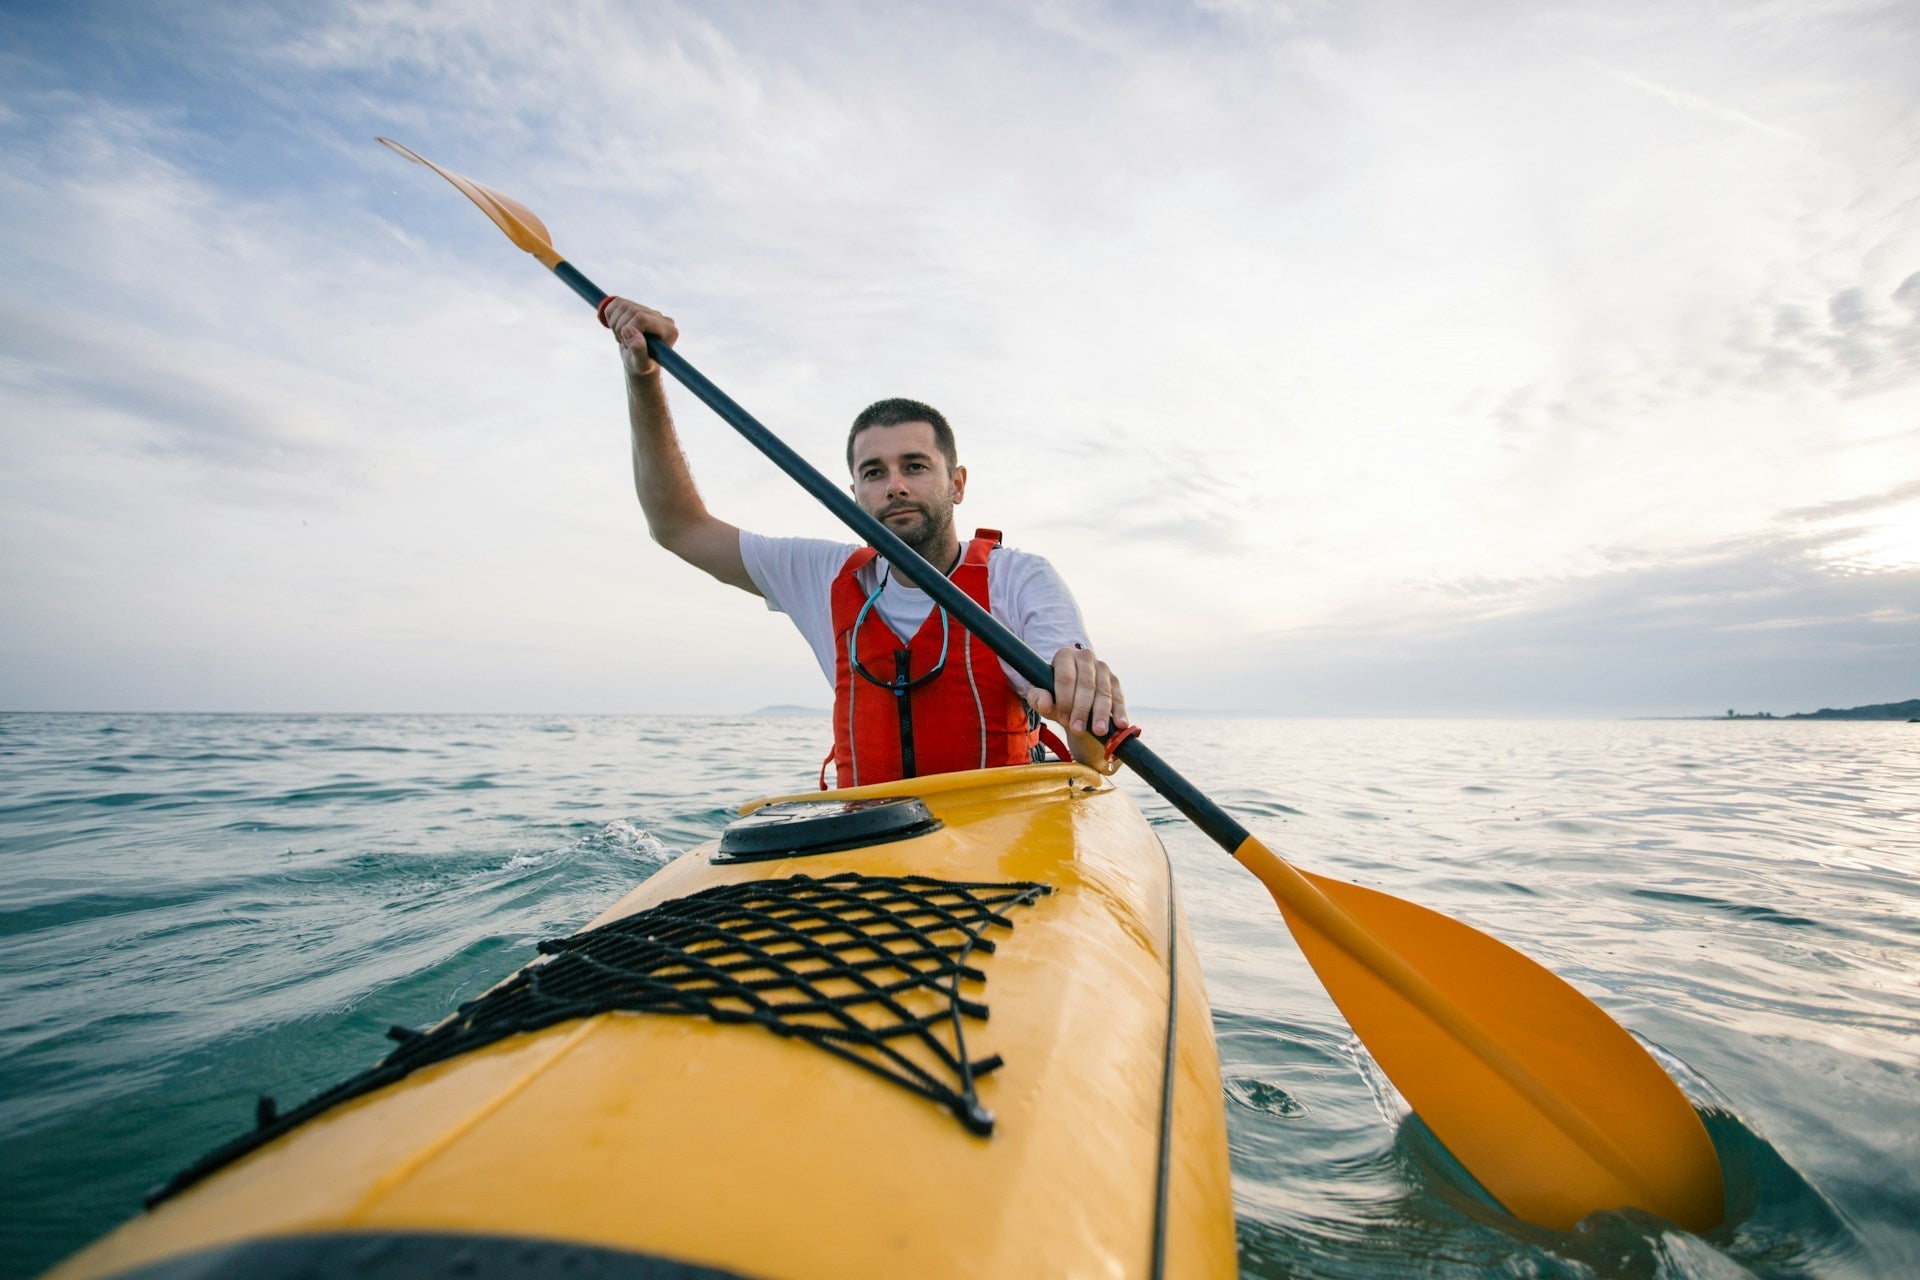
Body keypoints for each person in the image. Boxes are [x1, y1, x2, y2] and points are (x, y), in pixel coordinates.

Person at [602, 296, 1128, 786]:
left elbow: (1093, 761)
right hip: (871, 841)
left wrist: (1082, 708)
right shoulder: (823, 575)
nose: (895, 484)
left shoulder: (1020, 578)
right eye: (874, 472)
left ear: (958, 484)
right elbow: (677, 526)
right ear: (855, 493)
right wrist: (643, 377)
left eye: (915, 466)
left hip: (1002, 839)